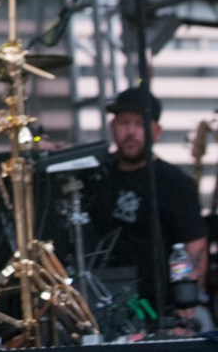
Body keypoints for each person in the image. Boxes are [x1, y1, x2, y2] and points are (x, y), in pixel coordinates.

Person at [88, 85, 209, 320]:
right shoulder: (96, 177)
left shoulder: (174, 183)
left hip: (157, 309)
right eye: (123, 123)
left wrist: (183, 311)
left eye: (138, 123)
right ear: (113, 127)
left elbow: (195, 249)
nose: (131, 132)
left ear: (156, 131)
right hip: (102, 304)